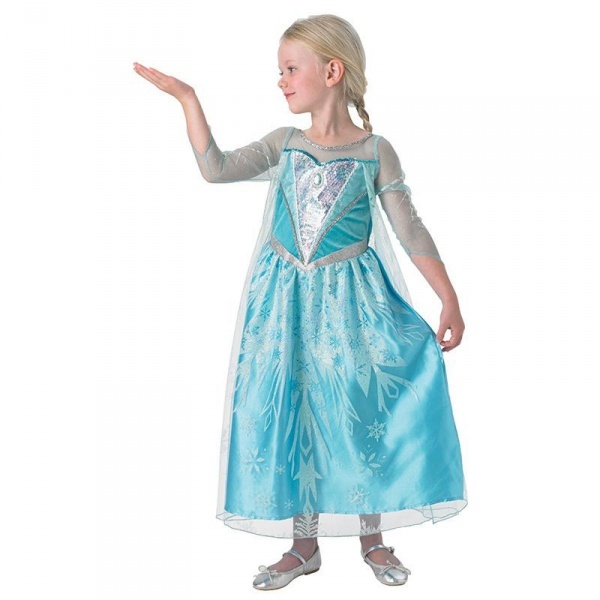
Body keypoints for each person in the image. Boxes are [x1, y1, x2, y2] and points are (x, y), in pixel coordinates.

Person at [133, 13, 467, 591]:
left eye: (290, 69)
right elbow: (215, 169)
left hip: (355, 307)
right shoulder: (284, 145)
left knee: (361, 409)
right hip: (284, 304)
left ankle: (372, 538)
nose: (281, 81)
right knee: (298, 409)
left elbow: (409, 228)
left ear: (332, 72)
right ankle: (303, 545)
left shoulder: (374, 151)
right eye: (280, 70)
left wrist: (449, 299)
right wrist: (188, 99)